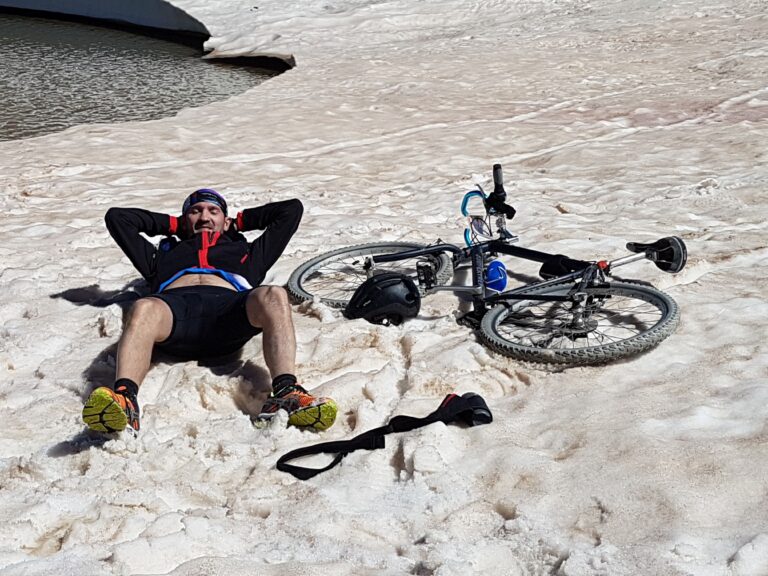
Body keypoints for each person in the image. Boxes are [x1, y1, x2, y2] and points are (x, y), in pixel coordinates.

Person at [81, 188, 337, 434]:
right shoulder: (161, 257)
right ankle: (125, 399)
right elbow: (117, 218)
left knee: (274, 294)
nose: (204, 217)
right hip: (175, 314)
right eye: (195, 211)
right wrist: (175, 225)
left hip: (228, 315)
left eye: (213, 211)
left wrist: (238, 222)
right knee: (144, 307)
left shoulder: (247, 254)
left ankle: (286, 391)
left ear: (225, 220)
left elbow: (291, 210)